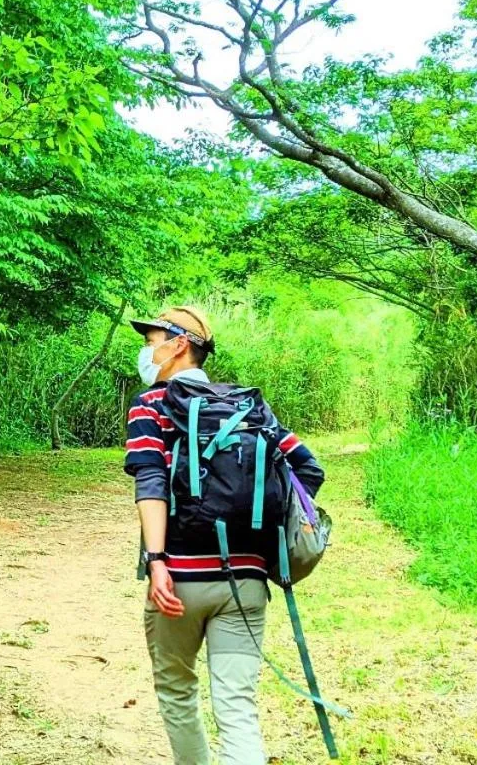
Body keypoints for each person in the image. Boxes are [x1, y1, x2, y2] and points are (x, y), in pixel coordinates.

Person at [124, 305, 325, 765]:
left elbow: (149, 482)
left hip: (178, 579)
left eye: (153, 340)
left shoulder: (151, 405)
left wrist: (156, 560)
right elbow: (308, 469)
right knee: (237, 705)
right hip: (248, 583)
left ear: (178, 345)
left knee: (177, 689)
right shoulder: (250, 407)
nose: (147, 350)